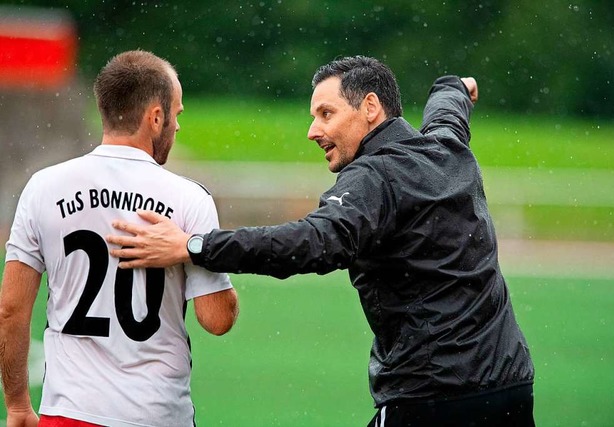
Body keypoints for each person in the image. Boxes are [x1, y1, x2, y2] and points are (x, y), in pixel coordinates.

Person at [106, 56, 535, 426]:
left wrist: (194, 246)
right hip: (510, 388)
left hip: (431, 398)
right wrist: (454, 86)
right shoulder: (447, 146)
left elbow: (312, 242)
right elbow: (448, 109)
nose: (313, 130)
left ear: (371, 107)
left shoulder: (373, 177)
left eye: (326, 114)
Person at [0, 50, 238, 427]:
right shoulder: (189, 198)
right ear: (154, 117)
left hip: (68, 413)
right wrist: (191, 250)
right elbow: (217, 319)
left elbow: (10, 310)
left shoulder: (43, 187)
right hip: (156, 414)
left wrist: (16, 405)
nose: (177, 126)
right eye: (176, 114)